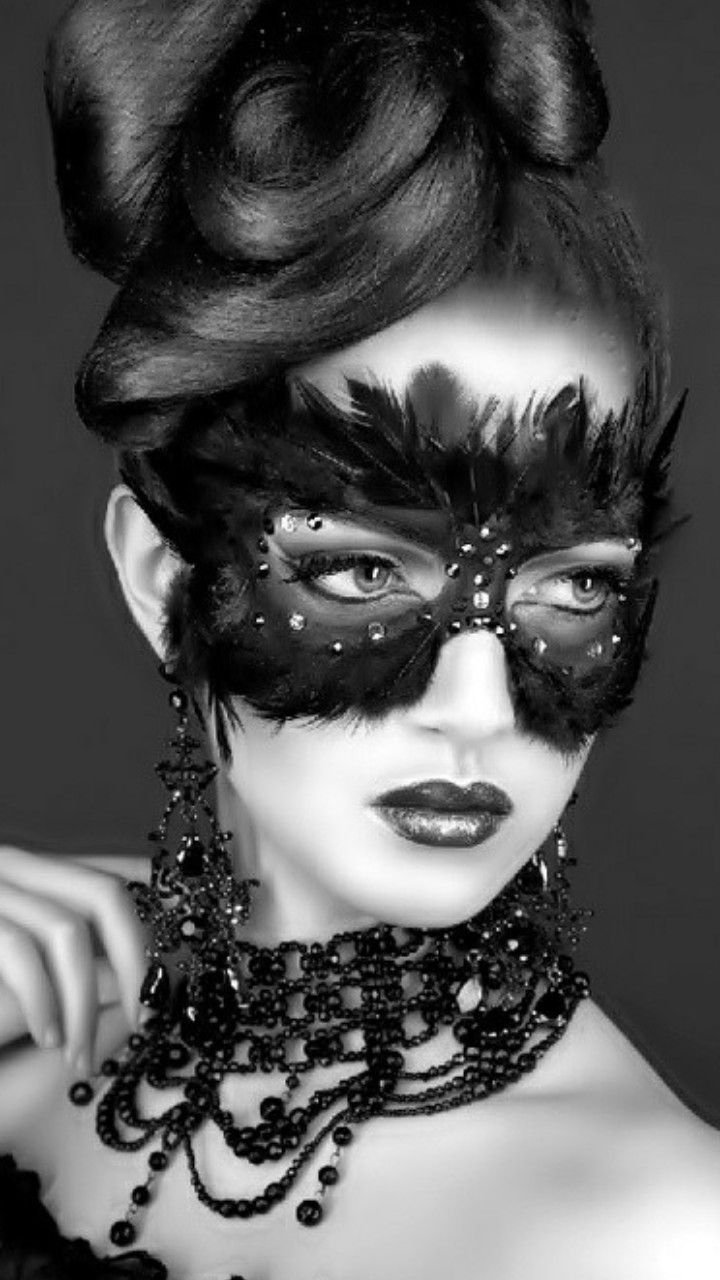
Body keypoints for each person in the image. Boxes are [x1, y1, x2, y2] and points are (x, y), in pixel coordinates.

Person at [1, 0, 719, 1277]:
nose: (478, 704)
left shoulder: (655, 1230)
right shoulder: (31, 1039)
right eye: (364, 572)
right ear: (161, 576)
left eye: (571, 589)